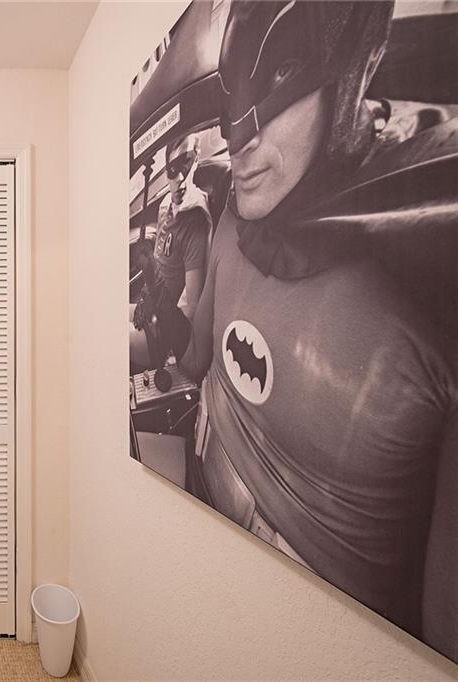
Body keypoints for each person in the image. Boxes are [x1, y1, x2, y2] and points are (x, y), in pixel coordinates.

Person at [167, 0, 457, 660]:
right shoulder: (228, 220)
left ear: (349, 74)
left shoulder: (432, 260)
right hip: (189, 527)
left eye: (282, 74)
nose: (239, 136)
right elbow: (195, 359)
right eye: (232, 96)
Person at [130, 132, 212, 371]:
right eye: (173, 170)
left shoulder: (194, 221)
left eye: (187, 163)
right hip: (149, 306)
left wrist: (159, 323)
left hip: (164, 331)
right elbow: (159, 264)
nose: (181, 179)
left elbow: (192, 309)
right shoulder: (165, 205)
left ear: (197, 159)